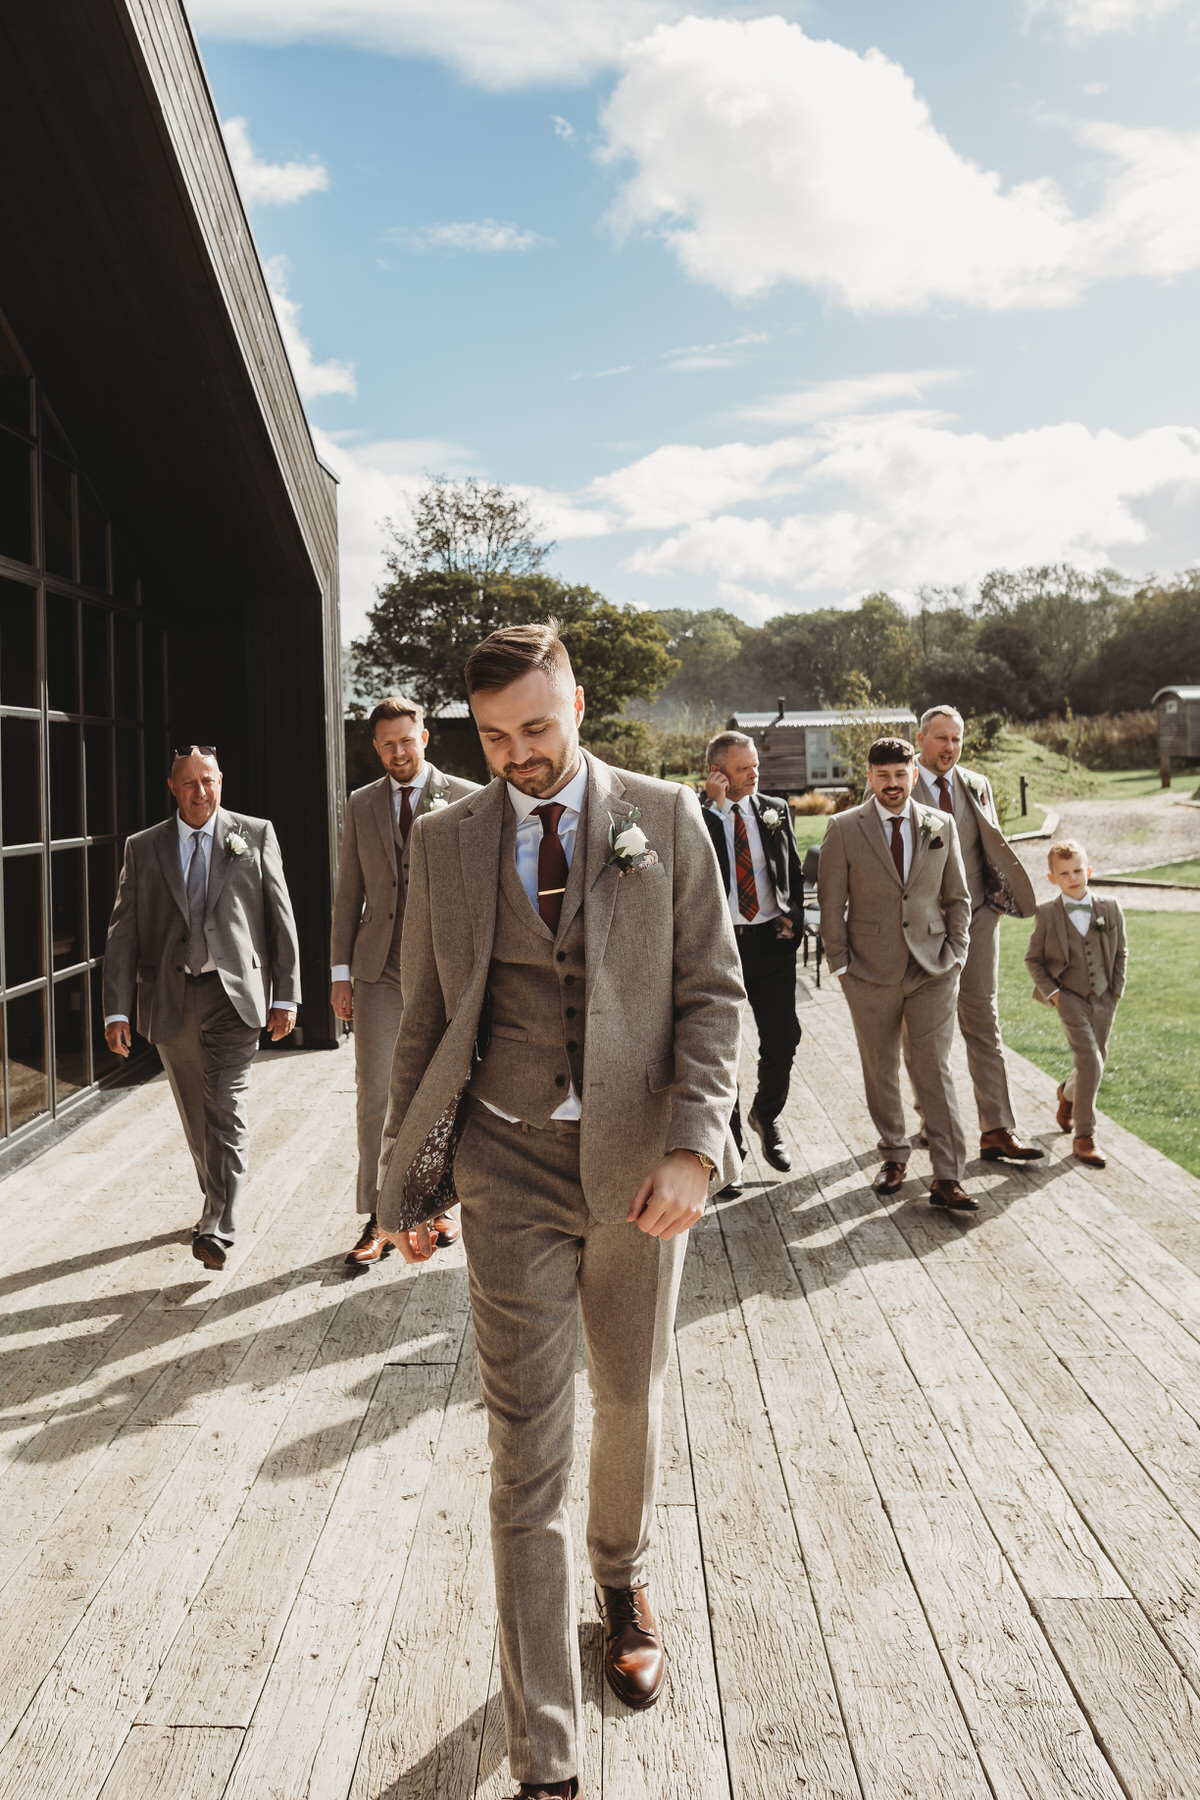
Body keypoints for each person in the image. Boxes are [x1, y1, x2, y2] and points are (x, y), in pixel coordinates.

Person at [374, 622, 744, 1800]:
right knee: (523, 1453)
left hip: (642, 1170)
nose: (518, 757)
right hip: (505, 1166)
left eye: (536, 729)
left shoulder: (667, 818)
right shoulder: (446, 841)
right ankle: (548, 1758)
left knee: (627, 1398)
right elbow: (426, 1026)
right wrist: (410, 1187)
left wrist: (696, 1144)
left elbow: (714, 996)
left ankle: (623, 1572)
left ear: (577, 702)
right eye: (492, 738)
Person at [102, 746, 300, 1270]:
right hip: (169, 999)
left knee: (226, 1109)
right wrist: (116, 1010)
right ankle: (215, 1204)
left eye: (208, 780)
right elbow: (122, 934)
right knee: (196, 1114)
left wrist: (286, 994)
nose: (200, 791)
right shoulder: (143, 848)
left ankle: (220, 1226)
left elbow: (282, 920)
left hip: (232, 995)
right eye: (189, 782)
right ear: (173, 787)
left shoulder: (254, 834)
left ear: (220, 781)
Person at [329, 694, 479, 1269]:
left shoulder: (468, 799)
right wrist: (341, 971)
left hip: (446, 969)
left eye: (406, 739)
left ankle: (439, 1202)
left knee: (445, 1090)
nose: (398, 751)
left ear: (425, 737)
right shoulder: (362, 804)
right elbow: (349, 894)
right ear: (375, 747)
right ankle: (379, 1214)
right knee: (377, 1093)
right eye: (387, 743)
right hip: (379, 969)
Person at [818, 735, 976, 1210]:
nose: (892, 784)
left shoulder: (940, 823)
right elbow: (831, 905)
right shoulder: (844, 828)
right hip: (868, 970)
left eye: (900, 774)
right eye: (883, 775)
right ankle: (893, 1154)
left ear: (912, 773)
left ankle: (948, 1175)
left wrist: (958, 952)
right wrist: (841, 965)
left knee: (933, 1066)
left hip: (933, 967)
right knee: (881, 1066)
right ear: (870, 776)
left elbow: (958, 899)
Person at [912, 706, 1044, 1164]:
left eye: (956, 739)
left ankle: (997, 1128)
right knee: (929, 1026)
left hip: (979, 919)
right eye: (941, 738)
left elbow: (992, 845)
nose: (950, 747)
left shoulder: (977, 784)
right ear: (921, 738)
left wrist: (996, 899)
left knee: (983, 1020)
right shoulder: (899, 786)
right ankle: (932, 1118)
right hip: (923, 924)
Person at [701, 730, 804, 1186]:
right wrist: (718, 808)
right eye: (744, 768)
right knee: (722, 1049)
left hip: (769, 942)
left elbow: (793, 871)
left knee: (784, 1038)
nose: (754, 773)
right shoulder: (700, 815)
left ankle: (766, 1115)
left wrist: (792, 917)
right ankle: (731, 1151)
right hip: (719, 945)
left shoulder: (775, 810)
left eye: (755, 764)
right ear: (719, 773)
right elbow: (706, 863)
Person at [1025, 840, 1127, 1170]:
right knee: (1090, 1060)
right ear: (1052, 877)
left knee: (1097, 1058)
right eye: (1065, 873)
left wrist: (1116, 990)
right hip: (1068, 996)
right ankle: (1085, 1136)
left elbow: (1121, 951)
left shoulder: (1110, 907)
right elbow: (1033, 960)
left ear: (1089, 871)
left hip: (1104, 996)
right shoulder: (1047, 913)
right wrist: (1053, 993)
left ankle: (1067, 1094)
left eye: (1078, 871)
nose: (1073, 878)